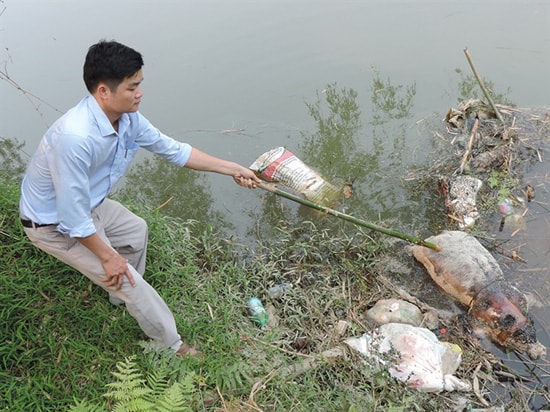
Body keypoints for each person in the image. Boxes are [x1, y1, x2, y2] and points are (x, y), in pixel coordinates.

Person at [19, 40, 261, 357]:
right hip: (53, 224)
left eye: (140, 84)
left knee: (135, 232)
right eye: (133, 87)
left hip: (88, 204)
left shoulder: (128, 118)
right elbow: (73, 221)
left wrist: (232, 169)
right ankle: (171, 346)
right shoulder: (75, 138)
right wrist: (108, 257)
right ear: (104, 91)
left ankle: (119, 296)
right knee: (129, 280)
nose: (140, 93)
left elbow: (175, 150)